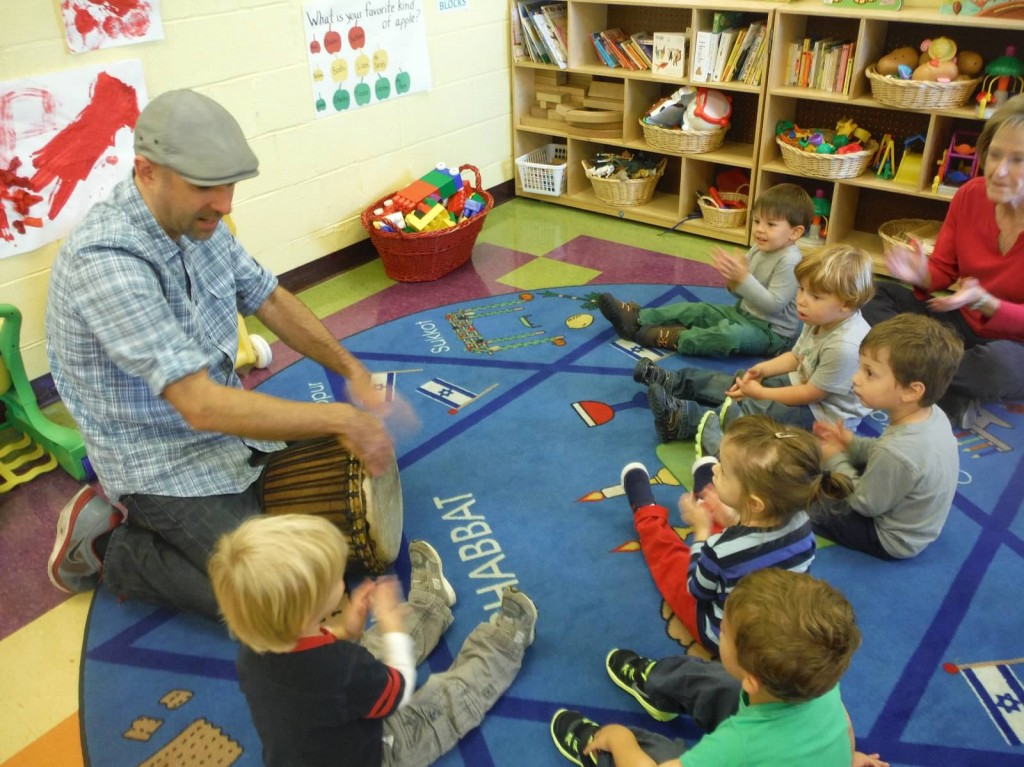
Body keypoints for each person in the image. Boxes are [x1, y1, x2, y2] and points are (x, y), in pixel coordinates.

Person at [45, 89, 410, 620]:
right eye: (203, 187)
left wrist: (350, 369)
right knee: (290, 605)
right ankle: (114, 550)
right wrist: (339, 418)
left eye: (229, 185)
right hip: (158, 463)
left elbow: (270, 297)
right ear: (146, 171)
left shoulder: (200, 222)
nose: (225, 203)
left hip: (229, 438)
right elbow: (199, 404)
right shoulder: (105, 259)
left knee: (324, 553)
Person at [208, 514, 538, 767]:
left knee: (367, 649)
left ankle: (430, 606)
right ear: (308, 608)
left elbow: (317, 665)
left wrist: (348, 631)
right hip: (378, 754)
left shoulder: (255, 646)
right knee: (443, 703)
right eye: (334, 578)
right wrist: (392, 626)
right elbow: (398, 688)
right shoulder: (340, 667)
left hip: (317, 741)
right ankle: (503, 643)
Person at [549, 568, 888, 767]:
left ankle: (603, 752)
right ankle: (657, 690)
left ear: (754, 681)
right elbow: (842, 724)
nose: (720, 627)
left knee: (645, 748)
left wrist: (620, 740)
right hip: (777, 733)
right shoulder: (820, 670)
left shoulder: (740, 744)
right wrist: (847, 758)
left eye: (724, 630)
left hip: (752, 746)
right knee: (717, 681)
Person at [620, 414, 850, 655]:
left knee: (672, 562)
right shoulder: (802, 522)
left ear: (755, 503)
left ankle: (646, 513)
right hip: (774, 621)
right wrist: (731, 519)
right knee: (730, 526)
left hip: (723, 635)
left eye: (724, 471)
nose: (717, 467)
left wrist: (701, 532)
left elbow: (697, 588)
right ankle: (707, 493)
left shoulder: (721, 549)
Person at [862, 94, 1024, 429]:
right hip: (959, 327)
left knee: (998, 367)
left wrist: (987, 302)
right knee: (869, 292)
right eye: (994, 155)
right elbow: (943, 272)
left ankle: (917, 371)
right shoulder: (970, 195)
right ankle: (944, 382)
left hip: (1011, 345)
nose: (998, 170)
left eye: (1019, 160)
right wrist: (921, 274)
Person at [633, 244, 875, 453]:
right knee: (740, 381)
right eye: (802, 289)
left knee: (756, 409)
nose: (801, 300)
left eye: (816, 296)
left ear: (846, 305)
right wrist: (762, 370)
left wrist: (761, 393)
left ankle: (682, 421)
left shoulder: (844, 346)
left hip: (823, 417)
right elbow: (796, 356)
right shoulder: (820, 317)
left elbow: (811, 394)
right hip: (802, 383)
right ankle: (676, 382)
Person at [811, 314, 963, 560]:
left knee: (804, 497)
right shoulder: (932, 414)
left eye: (869, 373)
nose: (855, 378)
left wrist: (834, 459)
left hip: (889, 538)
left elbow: (864, 503)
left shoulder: (897, 451)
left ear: (911, 391)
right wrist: (851, 444)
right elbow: (883, 452)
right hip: (916, 520)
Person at [598, 183, 812, 357]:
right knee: (693, 310)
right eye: (757, 221)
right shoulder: (759, 247)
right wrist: (733, 280)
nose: (760, 229)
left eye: (771, 224)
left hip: (770, 333)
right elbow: (741, 293)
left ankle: (676, 338)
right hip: (743, 313)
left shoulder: (790, 260)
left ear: (795, 233)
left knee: (726, 336)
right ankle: (638, 318)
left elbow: (773, 306)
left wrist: (743, 278)